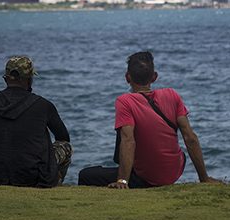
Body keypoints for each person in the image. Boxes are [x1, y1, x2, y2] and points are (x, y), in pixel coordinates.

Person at [78, 51, 219, 189]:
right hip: (173, 172)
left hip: (146, 177)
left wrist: (122, 181)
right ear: (154, 77)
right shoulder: (172, 95)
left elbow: (128, 140)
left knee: (86, 175)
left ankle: (126, 178)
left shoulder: (125, 101)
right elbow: (190, 138)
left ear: (127, 77)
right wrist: (204, 178)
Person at [0, 56, 72, 188]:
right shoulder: (43, 105)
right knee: (65, 146)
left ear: (5, 78)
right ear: (30, 80)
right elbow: (63, 137)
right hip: (33, 176)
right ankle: (55, 182)